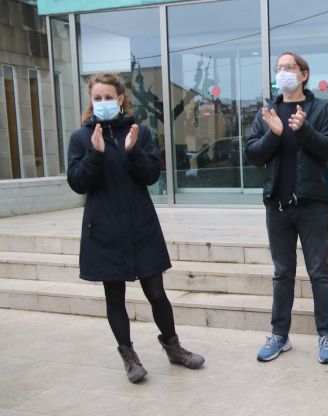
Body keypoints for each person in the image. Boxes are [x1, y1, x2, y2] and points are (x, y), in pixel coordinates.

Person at [67, 73, 204, 383]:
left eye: (107, 97)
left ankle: (174, 347)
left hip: (141, 227)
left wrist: (132, 151)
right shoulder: (80, 138)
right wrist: (95, 154)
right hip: (103, 230)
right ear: (91, 100)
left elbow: (151, 175)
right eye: (96, 98)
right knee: (114, 297)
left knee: (156, 292)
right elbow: (77, 183)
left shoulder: (138, 132)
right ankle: (129, 357)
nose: (102, 103)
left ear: (121, 98)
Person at [245, 52, 328, 364]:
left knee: (319, 272)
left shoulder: (321, 109)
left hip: (312, 203)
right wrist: (274, 134)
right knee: (282, 273)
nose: (283, 72)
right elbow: (253, 154)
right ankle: (279, 335)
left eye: (289, 67)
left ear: (303, 75)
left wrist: (303, 130)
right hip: (277, 205)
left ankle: (326, 335)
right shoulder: (267, 111)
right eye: (279, 68)